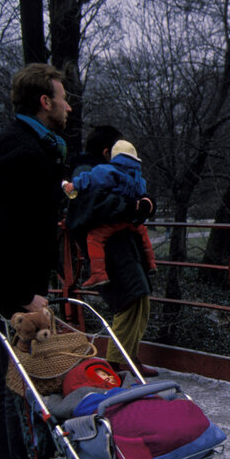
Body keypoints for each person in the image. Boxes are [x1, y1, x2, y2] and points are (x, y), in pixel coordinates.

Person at [0, 63, 87, 459]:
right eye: (63, 97)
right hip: (9, 286)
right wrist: (29, 292)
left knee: (5, 377)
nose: (69, 106)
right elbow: (12, 231)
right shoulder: (26, 153)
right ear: (45, 102)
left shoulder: (17, 145)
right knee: (23, 378)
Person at [65, 127, 159, 378]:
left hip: (124, 248)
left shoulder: (110, 173)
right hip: (110, 253)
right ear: (108, 152)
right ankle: (116, 363)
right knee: (130, 300)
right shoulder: (87, 174)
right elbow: (90, 209)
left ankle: (128, 358)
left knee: (140, 301)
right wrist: (134, 207)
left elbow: (138, 196)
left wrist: (146, 204)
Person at [62, 140, 157, 288]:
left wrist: (74, 184)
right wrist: (146, 204)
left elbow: (90, 180)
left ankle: (98, 274)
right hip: (132, 222)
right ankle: (151, 263)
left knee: (94, 238)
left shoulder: (107, 170)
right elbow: (143, 195)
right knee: (143, 235)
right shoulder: (138, 177)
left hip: (113, 223)